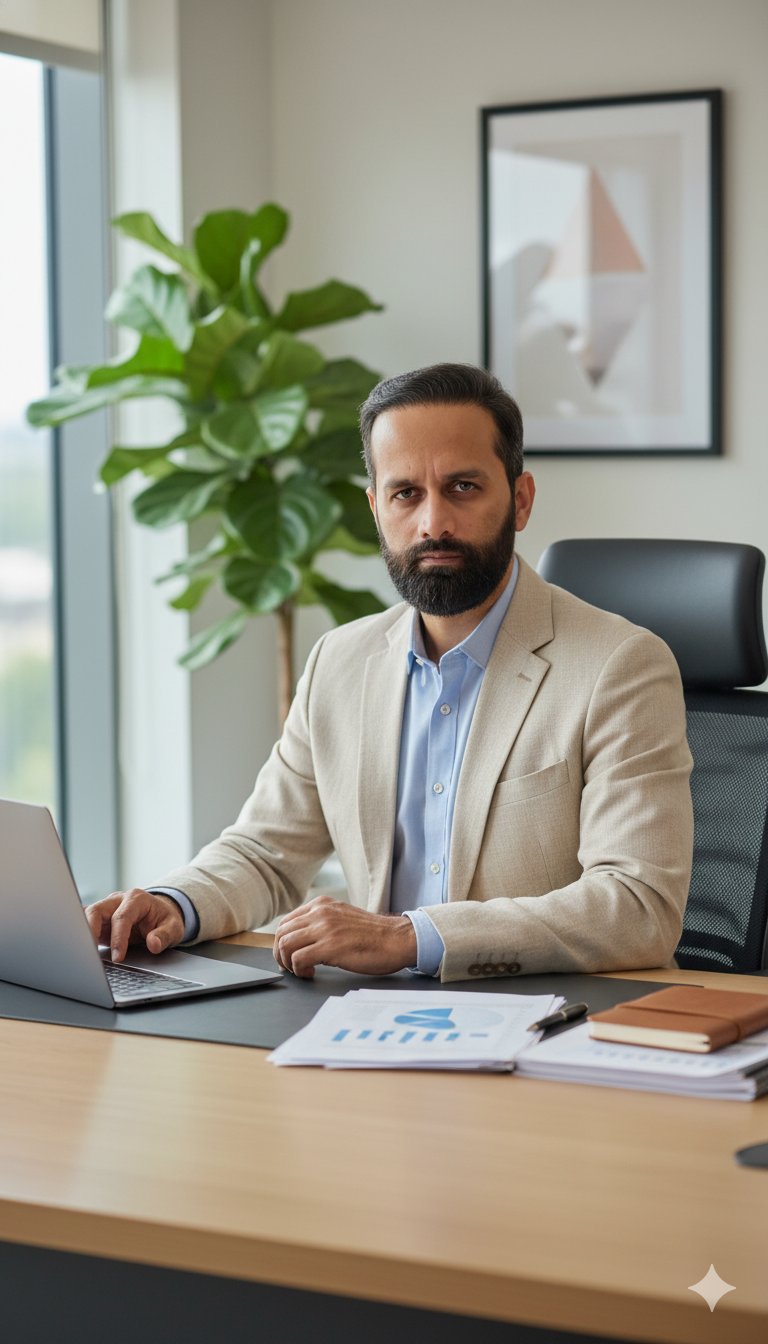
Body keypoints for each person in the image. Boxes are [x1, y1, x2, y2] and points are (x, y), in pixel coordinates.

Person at [86, 364, 694, 983]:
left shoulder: (620, 666)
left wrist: (411, 937)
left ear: (521, 500)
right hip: (369, 1026)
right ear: (376, 508)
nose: (433, 523)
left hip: (550, 1027)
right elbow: (265, 853)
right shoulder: (338, 662)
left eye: (462, 487)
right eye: (406, 493)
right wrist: (171, 905)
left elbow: (637, 906)